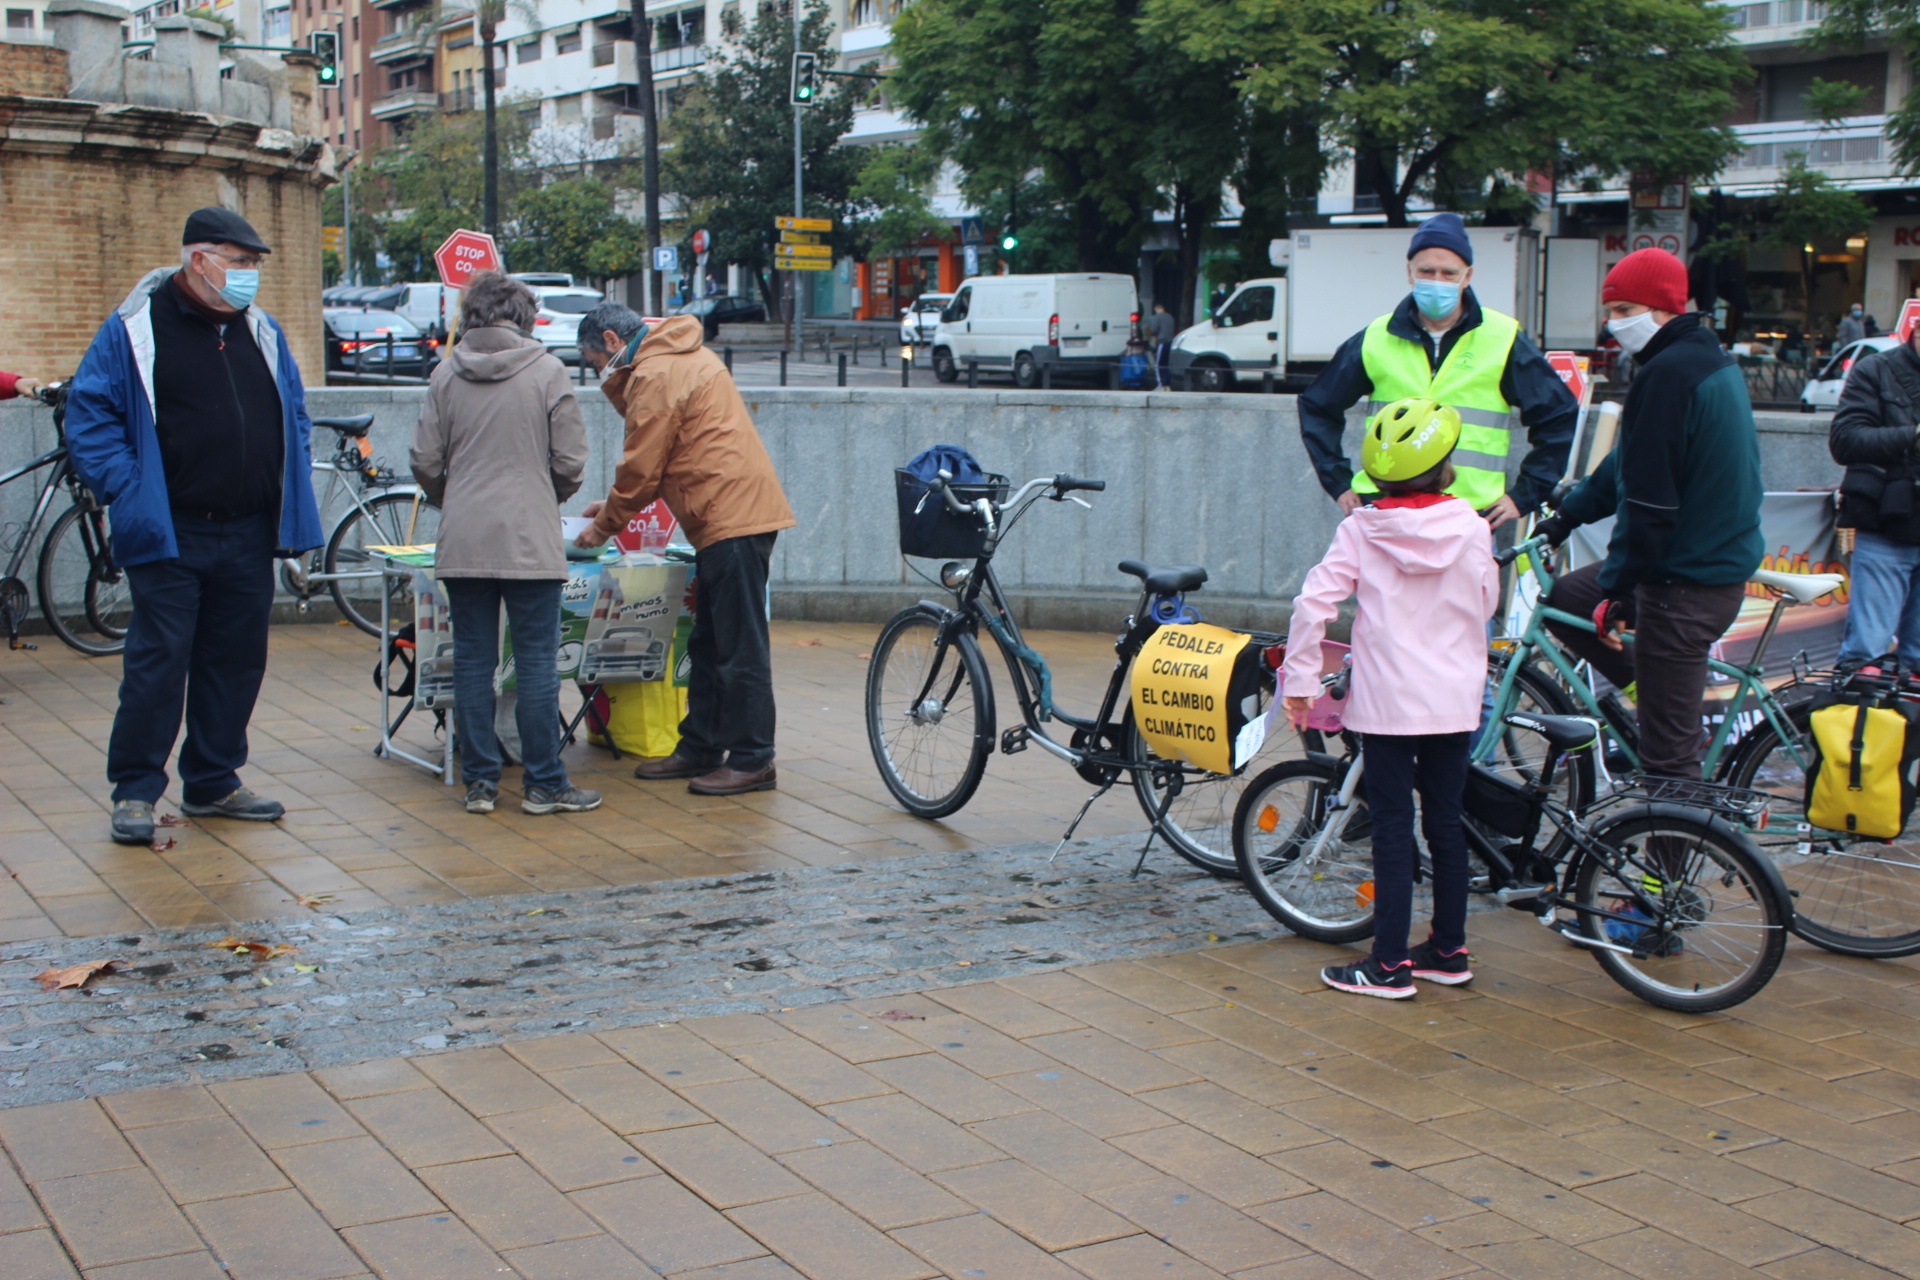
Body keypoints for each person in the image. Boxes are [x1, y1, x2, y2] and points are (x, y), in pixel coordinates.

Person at [66, 207, 324, 845]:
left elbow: (293, 410)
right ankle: (135, 789)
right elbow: (90, 414)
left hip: (249, 529)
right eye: (240, 262)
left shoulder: (260, 329)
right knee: (158, 663)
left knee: (235, 661)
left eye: (254, 264)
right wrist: (128, 487)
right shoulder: (135, 328)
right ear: (199, 260)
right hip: (171, 528)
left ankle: (213, 780)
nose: (250, 275)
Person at [1282, 399, 1500, 999]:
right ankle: (1448, 951)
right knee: (1447, 822)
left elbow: (1313, 605)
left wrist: (1299, 682)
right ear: (1445, 465)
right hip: (1454, 699)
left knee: (1393, 827)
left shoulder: (1361, 529)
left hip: (1387, 704)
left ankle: (1388, 965)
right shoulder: (1471, 526)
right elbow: (1485, 601)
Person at [1534, 248, 1763, 779]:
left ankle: (1670, 834)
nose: (1613, 325)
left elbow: (1650, 506)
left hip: (1685, 583)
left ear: (1662, 309)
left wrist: (1619, 590)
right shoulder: (1699, 359)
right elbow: (1628, 460)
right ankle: (1652, 694)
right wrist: (1567, 515)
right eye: (1610, 311)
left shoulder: (1669, 374)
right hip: (1695, 566)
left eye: (1624, 310)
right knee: (1568, 598)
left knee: (1669, 763)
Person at [574, 302, 796, 795]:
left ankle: (754, 758)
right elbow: (665, 460)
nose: (598, 373)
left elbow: (641, 465)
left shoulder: (656, 371)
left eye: (595, 363)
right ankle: (700, 746)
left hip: (731, 516)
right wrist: (611, 506)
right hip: (726, 513)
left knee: (739, 647)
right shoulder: (676, 357)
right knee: (709, 643)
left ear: (611, 341)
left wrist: (604, 526)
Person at [410, 272, 599, 816]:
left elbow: (423, 459)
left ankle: (479, 783)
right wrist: (543, 494)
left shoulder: (445, 374)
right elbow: (571, 461)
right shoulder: (547, 370)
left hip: (464, 538)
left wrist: (454, 496)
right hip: (529, 538)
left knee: (472, 661)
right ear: (525, 318)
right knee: (537, 663)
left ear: (470, 317)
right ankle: (544, 783)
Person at [1298, 212, 1578, 529]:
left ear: (1467, 276)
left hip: (1467, 515)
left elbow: (1558, 413)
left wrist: (1526, 494)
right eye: (1426, 271)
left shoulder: (1503, 338)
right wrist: (1338, 482)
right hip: (1385, 510)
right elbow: (1317, 405)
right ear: (1409, 272)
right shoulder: (1376, 337)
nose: (1437, 281)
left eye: (1449, 273)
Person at [1828, 317, 1920, 668]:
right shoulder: (1876, 369)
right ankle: (1860, 699)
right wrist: (1912, 435)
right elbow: (1845, 440)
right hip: (1886, 525)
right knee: (1866, 656)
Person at [1148, 301, 1177, 390]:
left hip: (1162, 342)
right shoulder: (1170, 317)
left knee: (1158, 364)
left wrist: (1151, 330)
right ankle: (1167, 385)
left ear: (1156, 309)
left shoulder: (1157, 317)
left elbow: (1154, 330)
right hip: (1170, 342)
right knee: (1166, 364)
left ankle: (1160, 385)